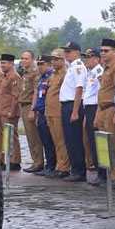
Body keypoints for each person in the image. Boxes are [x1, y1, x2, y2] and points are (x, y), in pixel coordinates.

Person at [95, 39, 115, 187]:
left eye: (106, 51)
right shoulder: (106, 68)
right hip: (102, 109)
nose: (103, 53)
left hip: (111, 108)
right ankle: (111, 173)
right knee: (105, 144)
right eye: (101, 51)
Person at [59, 42, 88, 182]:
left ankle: (79, 171)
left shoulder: (78, 67)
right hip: (66, 105)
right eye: (66, 51)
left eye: (69, 51)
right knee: (69, 139)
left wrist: (75, 111)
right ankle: (75, 169)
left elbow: (79, 89)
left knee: (75, 139)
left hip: (73, 105)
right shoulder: (71, 67)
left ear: (77, 52)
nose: (66, 54)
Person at [45, 49, 71, 178]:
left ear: (63, 60)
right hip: (50, 110)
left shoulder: (65, 73)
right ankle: (58, 165)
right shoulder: (53, 74)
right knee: (55, 140)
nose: (53, 62)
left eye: (56, 59)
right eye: (52, 59)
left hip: (58, 111)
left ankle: (64, 167)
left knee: (61, 140)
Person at [29, 55, 56, 176]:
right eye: (38, 64)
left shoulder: (51, 77)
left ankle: (52, 166)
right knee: (44, 141)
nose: (39, 66)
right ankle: (48, 165)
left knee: (50, 141)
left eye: (42, 64)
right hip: (40, 113)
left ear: (49, 65)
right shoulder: (42, 78)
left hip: (47, 112)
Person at [82, 48, 105, 184]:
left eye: (89, 57)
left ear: (96, 59)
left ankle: (102, 173)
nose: (86, 60)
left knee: (97, 142)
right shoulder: (90, 73)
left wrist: (97, 115)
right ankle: (98, 171)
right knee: (91, 142)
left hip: (96, 108)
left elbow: (100, 96)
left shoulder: (99, 73)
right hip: (89, 109)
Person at [0, 53, 22, 171]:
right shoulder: (5, 76)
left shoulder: (14, 77)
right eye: (1, 63)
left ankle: (15, 161)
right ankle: (8, 159)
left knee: (12, 136)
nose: (2, 65)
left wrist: (11, 111)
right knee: (6, 136)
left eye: (4, 63)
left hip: (9, 112)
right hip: (2, 111)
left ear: (11, 64)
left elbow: (15, 96)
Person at [19, 50, 44, 173]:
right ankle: (35, 160)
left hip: (30, 106)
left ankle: (38, 162)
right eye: (22, 58)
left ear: (32, 60)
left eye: (26, 59)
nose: (23, 61)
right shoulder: (25, 73)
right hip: (23, 106)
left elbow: (36, 91)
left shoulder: (35, 73)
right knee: (29, 136)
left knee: (34, 136)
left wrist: (33, 109)